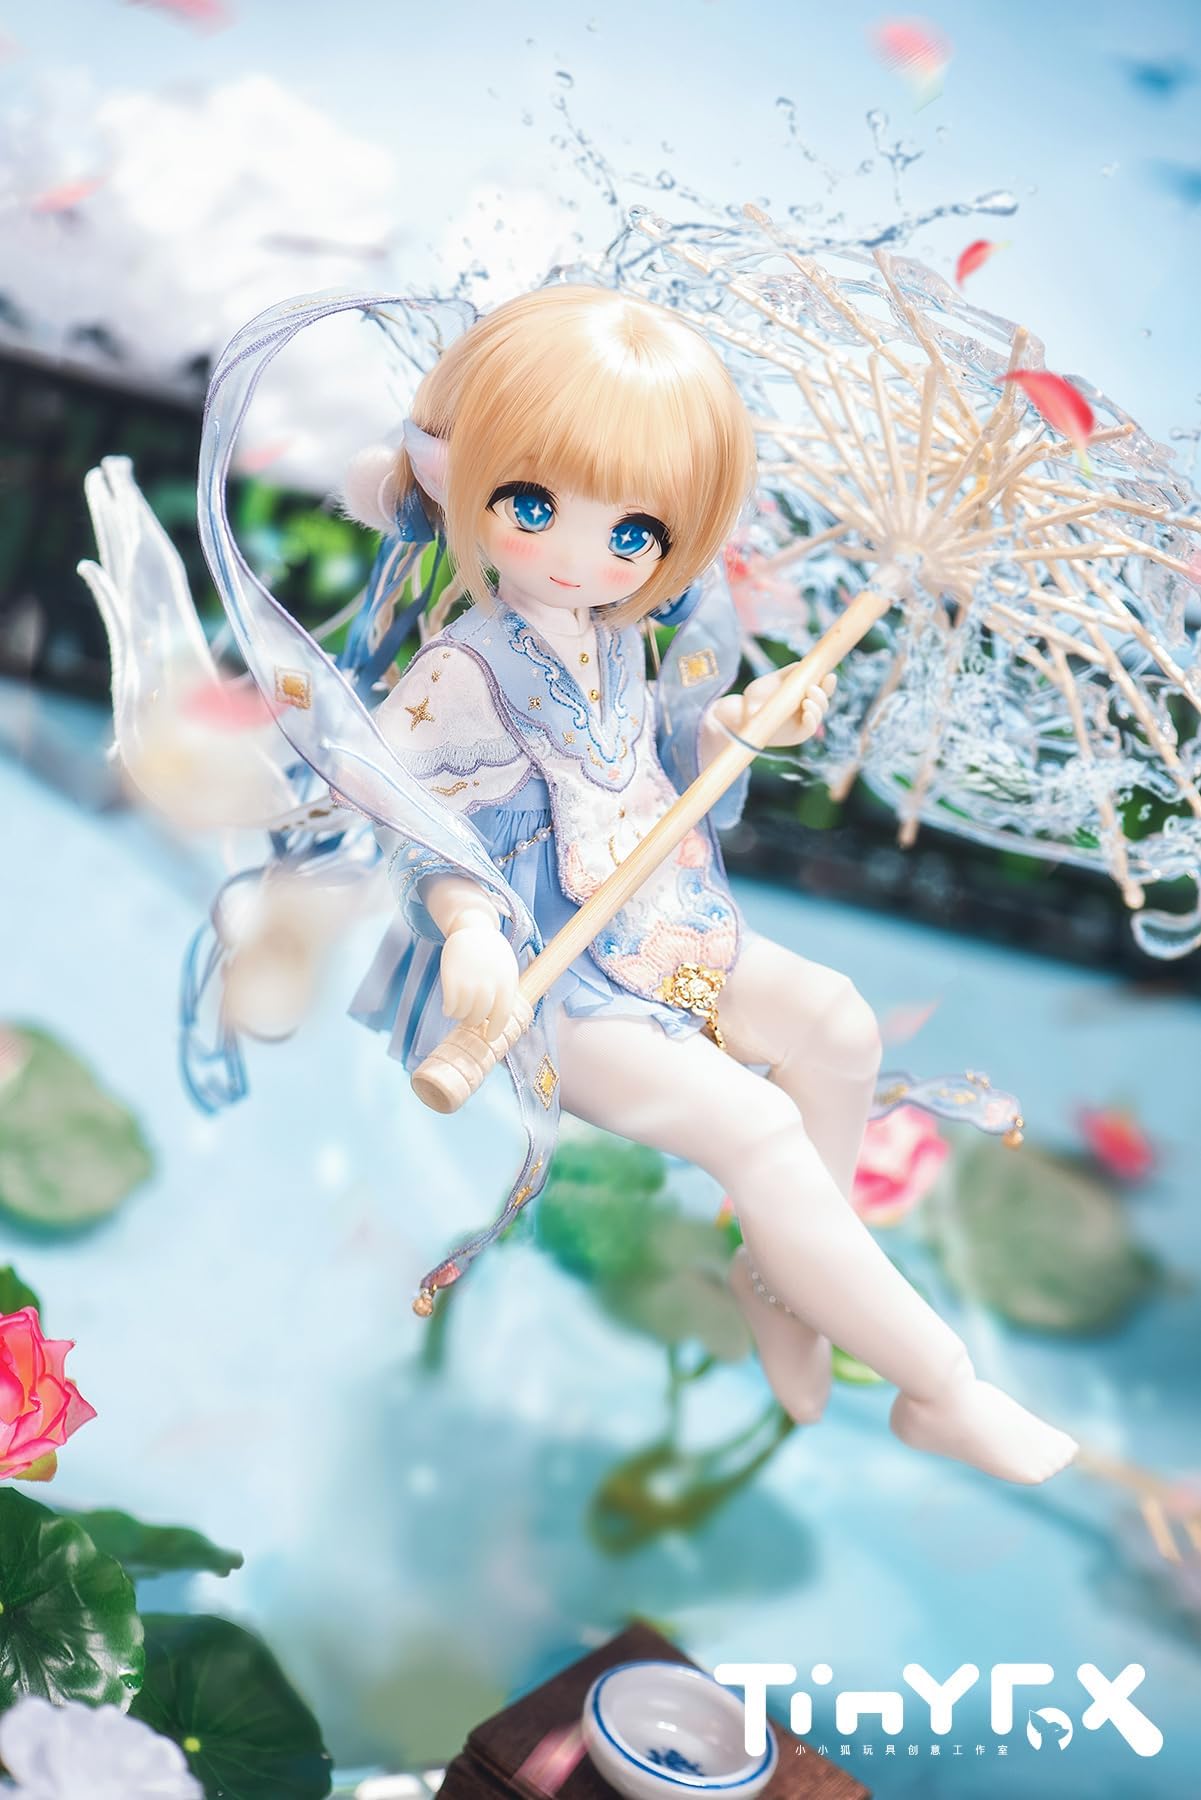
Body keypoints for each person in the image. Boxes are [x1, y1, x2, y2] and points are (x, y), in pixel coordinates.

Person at [339, 283, 1077, 1487]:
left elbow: (652, 778)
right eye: (534, 507)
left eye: (631, 533)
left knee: (835, 1022)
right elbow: (405, 802)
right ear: (458, 480)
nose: (580, 557)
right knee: (761, 1127)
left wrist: (737, 730)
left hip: (653, 923)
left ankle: (783, 1279)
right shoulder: (463, 668)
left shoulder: (616, 639)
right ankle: (941, 1391)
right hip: (540, 977)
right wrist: (464, 921)